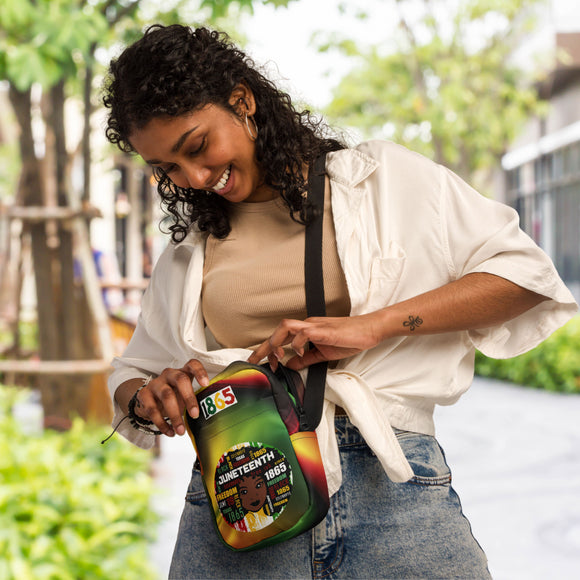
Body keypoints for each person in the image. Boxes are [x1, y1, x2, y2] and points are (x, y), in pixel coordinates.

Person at [102, 24, 577, 579]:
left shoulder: (377, 182)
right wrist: (150, 397)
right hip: (244, 494)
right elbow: (131, 373)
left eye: (198, 147)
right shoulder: (191, 253)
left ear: (243, 100)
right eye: (168, 169)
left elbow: (524, 277)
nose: (196, 178)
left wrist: (374, 326)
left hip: (393, 489)